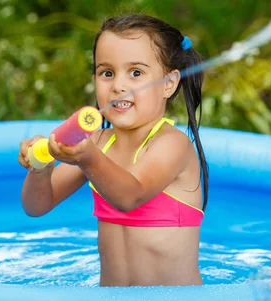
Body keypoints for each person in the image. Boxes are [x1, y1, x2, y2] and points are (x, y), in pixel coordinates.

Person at [18, 13, 209, 287]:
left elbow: (130, 195)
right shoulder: (98, 144)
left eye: (136, 73)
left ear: (168, 83)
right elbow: (37, 206)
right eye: (107, 73)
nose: (119, 86)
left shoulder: (172, 145)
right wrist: (41, 165)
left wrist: (88, 159)